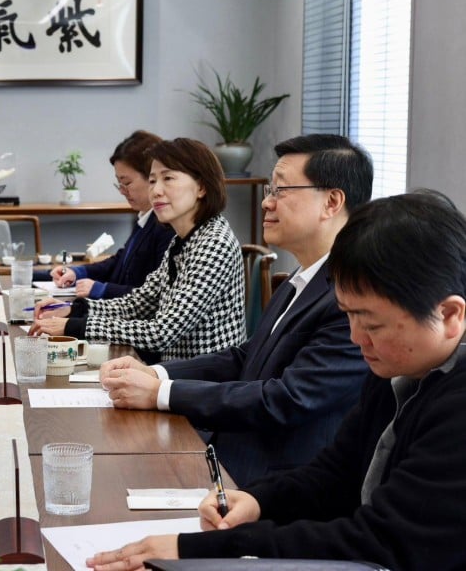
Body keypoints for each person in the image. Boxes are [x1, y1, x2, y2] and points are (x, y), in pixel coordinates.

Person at [87, 191, 466, 571]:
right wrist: (257, 501)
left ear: (449, 314)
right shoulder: (398, 368)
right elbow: (335, 474)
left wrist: (208, 549)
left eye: (371, 323)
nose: (355, 337)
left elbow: (381, 541)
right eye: (349, 315)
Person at [97, 134, 373, 485]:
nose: (266, 203)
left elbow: (286, 399)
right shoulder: (302, 278)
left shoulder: (351, 296)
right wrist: (158, 374)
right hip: (228, 455)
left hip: (271, 484)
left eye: (280, 191)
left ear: (332, 201)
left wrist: (161, 394)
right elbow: (246, 358)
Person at [32, 138, 245, 361]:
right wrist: (72, 310)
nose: (156, 191)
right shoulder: (183, 241)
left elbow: (161, 332)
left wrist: (73, 326)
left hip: (204, 383)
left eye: (168, 178)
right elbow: (137, 304)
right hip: (174, 375)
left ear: (201, 186)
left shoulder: (214, 243)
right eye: (152, 181)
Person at [40, 130, 174, 299]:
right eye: (119, 184)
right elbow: (120, 262)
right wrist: (78, 272)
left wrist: (101, 289)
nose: (122, 191)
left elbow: (154, 298)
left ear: (153, 178)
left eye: (127, 183)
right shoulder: (146, 218)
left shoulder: (167, 226)